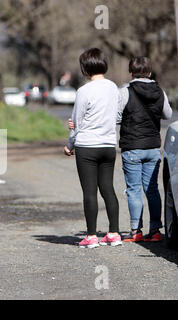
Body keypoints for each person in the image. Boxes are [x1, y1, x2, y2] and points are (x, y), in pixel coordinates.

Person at [64, 48, 122, 248]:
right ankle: (114, 233)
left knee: (89, 192)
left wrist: (69, 144)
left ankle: (91, 236)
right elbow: (116, 115)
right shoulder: (114, 88)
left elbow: (77, 121)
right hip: (108, 145)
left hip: (87, 146)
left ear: (85, 68)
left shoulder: (84, 90)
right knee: (108, 188)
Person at [117, 57, 172, 242]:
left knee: (133, 190)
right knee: (153, 189)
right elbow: (168, 114)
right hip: (153, 147)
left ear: (131, 73)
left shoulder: (125, 91)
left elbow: (116, 116)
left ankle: (136, 231)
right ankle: (156, 230)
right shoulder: (159, 91)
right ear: (150, 72)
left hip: (132, 147)